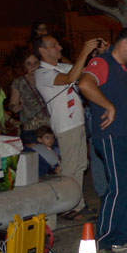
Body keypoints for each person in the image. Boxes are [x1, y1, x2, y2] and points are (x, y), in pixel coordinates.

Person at [77, 27, 127, 253]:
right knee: (119, 187)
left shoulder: (125, 67)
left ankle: (125, 235)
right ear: (124, 44)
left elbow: (126, 99)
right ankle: (105, 239)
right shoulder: (102, 62)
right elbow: (85, 84)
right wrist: (108, 106)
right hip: (113, 135)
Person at [33, 34, 101, 220]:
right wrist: (85, 51)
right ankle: (65, 206)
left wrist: (99, 55)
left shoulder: (63, 66)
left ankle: (77, 204)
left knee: (80, 165)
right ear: (42, 50)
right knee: (70, 168)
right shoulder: (42, 74)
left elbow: (85, 71)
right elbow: (71, 77)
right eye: (54, 45)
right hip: (65, 125)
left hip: (78, 122)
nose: (60, 48)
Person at [7, 49, 50, 143]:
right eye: (29, 64)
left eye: (35, 63)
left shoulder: (48, 78)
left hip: (50, 127)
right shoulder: (19, 82)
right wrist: (15, 108)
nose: (33, 66)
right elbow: (12, 104)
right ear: (24, 67)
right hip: (31, 129)